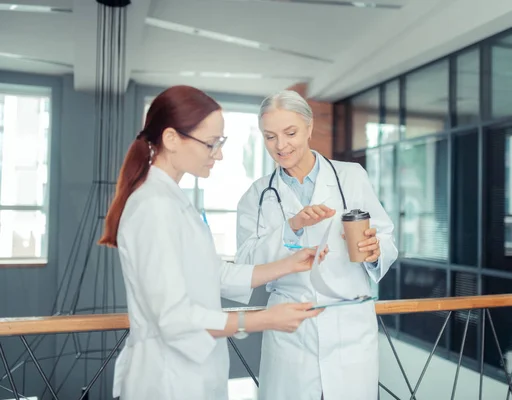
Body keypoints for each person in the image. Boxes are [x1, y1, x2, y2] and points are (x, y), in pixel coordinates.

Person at [98, 85, 325, 400]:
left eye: (221, 142)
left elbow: (211, 274)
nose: (218, 154)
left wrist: (285, 265)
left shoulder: (173, 199)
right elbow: (172, 317)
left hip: (195, 374)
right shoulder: (152, 206)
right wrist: (264, 319)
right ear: (172, 139)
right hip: (166, 380)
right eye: (211, 144)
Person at [235, 90, 398, 400]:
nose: (281, 145)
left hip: (350, 327)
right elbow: (245, 263)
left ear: (309, 128)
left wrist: (375, 251)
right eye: (270, 137)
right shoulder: (257, 196)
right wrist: (291, 227)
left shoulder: (351, 176)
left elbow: (385, 235)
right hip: (291, 332)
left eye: (290, 133)